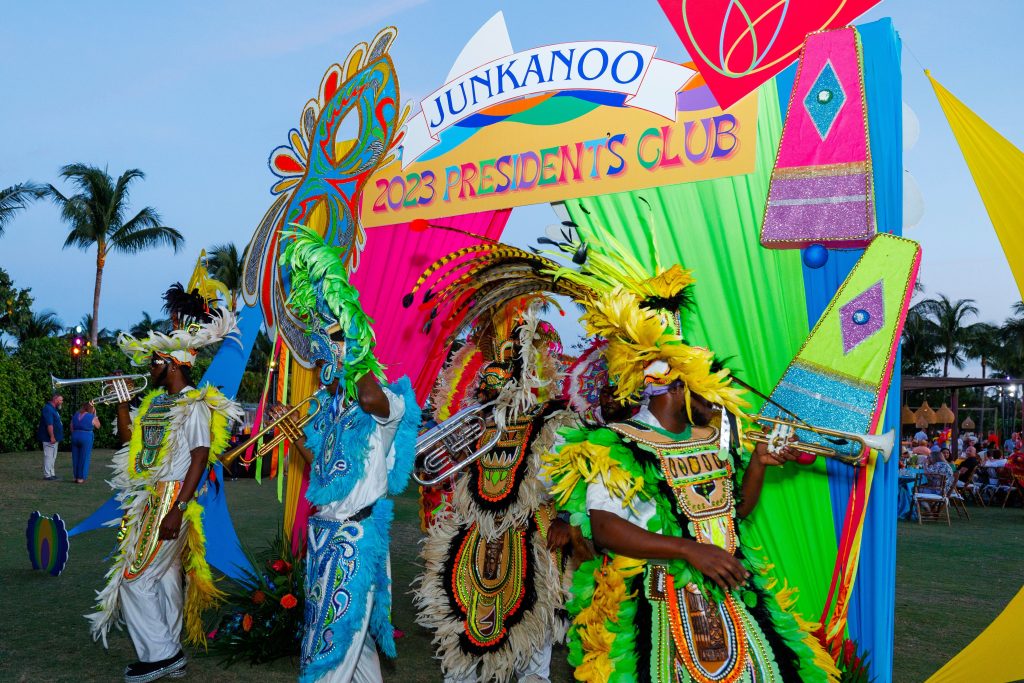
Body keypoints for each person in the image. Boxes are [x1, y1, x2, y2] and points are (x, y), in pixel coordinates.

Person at [541, 252, 840, 682]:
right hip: (659, 600)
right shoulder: (618, 442)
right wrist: (687, 549)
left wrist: (756, 463)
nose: (714, 397)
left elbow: (734, 513)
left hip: (732, 592)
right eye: (705, 385)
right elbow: (604, 529)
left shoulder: (713, 438)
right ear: (674, 384)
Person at [276, 226, 419, 683]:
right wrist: (291, 429)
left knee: (330, 652)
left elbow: (373, 398)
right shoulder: (332, 409)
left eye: (332, 345)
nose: (324, 359)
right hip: (324, 536)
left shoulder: (387, 403)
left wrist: (350, 332)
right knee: (354, 653)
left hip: (355, 542)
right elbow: (321, 468)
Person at [86, 288, 242, 683]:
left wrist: (177, 507)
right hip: (150, 497)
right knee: (166, 578)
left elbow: (200, 456)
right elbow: (128, 442)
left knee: (135, 578)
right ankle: (169, 650)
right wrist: (122, 404)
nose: (148, 366)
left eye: (154, 361)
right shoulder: (155, 402)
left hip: (172, 497)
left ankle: (161, 655)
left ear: (172, 363)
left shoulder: (194, 403)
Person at [415, 301, 573, 683]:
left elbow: (565, 482)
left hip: (532, 541)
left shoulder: (554, 422)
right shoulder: (474, 420)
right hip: (474, 536)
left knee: (534, 648)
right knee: (462, 640)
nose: (494, 383)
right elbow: (439, 470)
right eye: (489, 377)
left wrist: (565, 522)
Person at [70, 401, 100, 483]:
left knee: (75, 457)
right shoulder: (91, 416)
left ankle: (75, 477)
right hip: (86, 436)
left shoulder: (75, 415)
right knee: (84, 457)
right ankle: (80, 478)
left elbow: (71, 427)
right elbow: (98, 426)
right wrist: (95, 415)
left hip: (75, 435)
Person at [37, 393, 64, 480]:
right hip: (49, 438)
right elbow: (49, 424)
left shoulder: (53, 409)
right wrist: (52, 436)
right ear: (55, 400)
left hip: (54, 438)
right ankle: (47, 475)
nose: (61, 402)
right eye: (60, 400)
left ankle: (52, 474)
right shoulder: (48, 409)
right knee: (49, 456)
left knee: (53, 456)